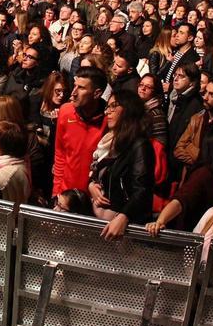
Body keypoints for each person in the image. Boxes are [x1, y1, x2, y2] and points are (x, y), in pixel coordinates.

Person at [88, 90, 156, 239]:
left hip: (123, 228)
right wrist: (91, 186)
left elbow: (142, 189)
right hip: (100, 221)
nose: (108, 112)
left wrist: (124, 215)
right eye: (108, 107)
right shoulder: (110, 141)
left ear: (128, 109)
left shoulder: (140, 144)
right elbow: (96, 173)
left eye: (114, 106)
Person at [51, 66, 107, 198]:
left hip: (94, 199)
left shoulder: (109, 120)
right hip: (66, 194)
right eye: (74, 86)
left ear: (97, 93)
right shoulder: (65, 111)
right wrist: (56, 192)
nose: (73, 93)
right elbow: (60, 154)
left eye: (81, 88)